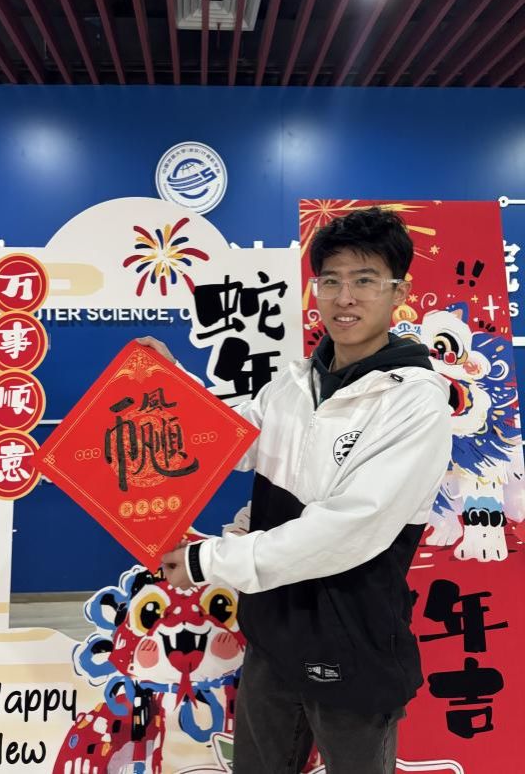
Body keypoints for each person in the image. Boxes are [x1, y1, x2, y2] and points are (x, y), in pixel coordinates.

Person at [138, 207, 453, 774]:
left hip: (353, 635)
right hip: (272, 629)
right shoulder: (292, 383)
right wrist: (167, 383)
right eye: (330, 281)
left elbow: (348, 529)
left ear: (399, 292)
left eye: (364, 280)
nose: (344, 298)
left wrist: (209, 560)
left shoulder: (415, 401)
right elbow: (225, 439)